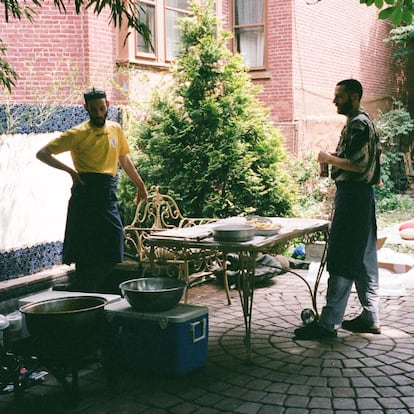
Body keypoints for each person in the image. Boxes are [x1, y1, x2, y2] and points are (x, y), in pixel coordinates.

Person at [37, 87, 148, 292]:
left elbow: (123, 158)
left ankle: (84, 287)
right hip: (86, 192)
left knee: (114, 245)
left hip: (107, 192)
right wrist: (70, 171)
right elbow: (42, 154)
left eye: (102, 108)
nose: (98, 113)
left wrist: (140, 185)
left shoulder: (115, 129)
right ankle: (83, 291)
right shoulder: (78, 133)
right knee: (86, 248)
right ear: (86, 108)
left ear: (108, 107)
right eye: (94, 109)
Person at [295, 79, 381, 340]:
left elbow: (357, 165)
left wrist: (327, 158)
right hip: (362, 197)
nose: (334, 101)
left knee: (343, 256)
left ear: (354, 97)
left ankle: (328, 323)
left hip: (353, 198)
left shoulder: (358, 124)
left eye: (340, 96)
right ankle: (370, 316)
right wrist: (333, 159)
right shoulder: (360, 121)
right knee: (365, 258)